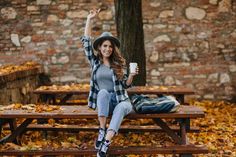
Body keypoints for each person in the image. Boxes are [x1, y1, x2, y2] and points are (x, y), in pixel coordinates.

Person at [80, 9, 139, 157]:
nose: (107, 49)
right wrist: (89, 19)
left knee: (122, 107)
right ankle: (102, 129)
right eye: (105, 46)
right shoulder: (95, 62)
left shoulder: (118, 64)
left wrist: (131, 75)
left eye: (110, 47)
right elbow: (86, 41)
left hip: (120, 100)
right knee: (103, 92)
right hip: (105, 102)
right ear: (100, 47)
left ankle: (106, 143)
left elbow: (126, 85)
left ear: (113, 49)